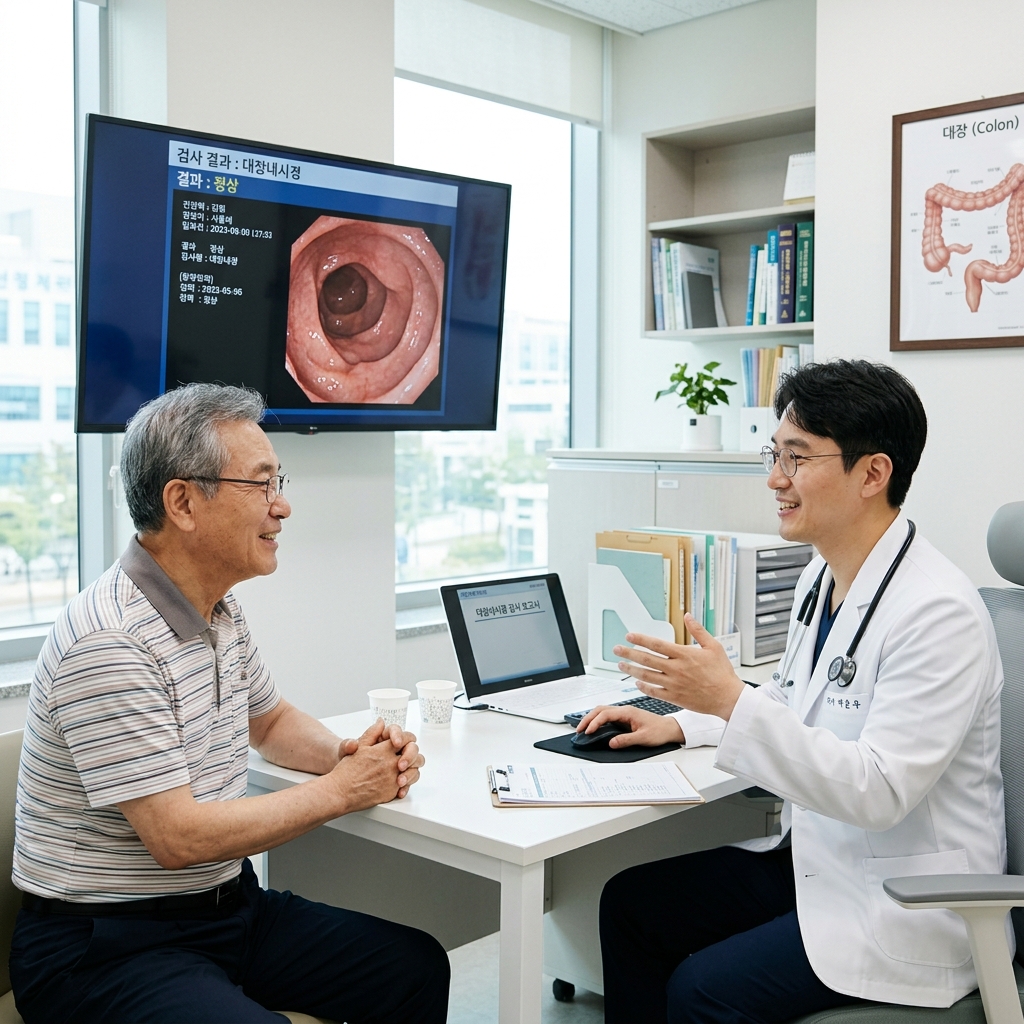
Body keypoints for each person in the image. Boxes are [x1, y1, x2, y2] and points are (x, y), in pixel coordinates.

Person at [9, 383, 449, 1024]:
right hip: (102, 947)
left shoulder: (218, 607)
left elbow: (268, 721)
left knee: (412, 967)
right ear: (183, 502)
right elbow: (177, 838)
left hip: (226, 909)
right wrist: (343, 790)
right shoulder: (109, 640)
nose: (283, 507)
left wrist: (347, 754)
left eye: (279, 482)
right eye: (262, 485)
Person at [581, 360, 1006, 1023]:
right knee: (632, 905)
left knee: (702, 990)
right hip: (823, 863)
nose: (775, 478)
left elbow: (879, 790)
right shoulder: (823, 575)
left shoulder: (938, 612)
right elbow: (792, 704)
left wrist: (728, 700)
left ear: (873, 473)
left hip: (907, 903)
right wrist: (686, 721)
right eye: (773, 455)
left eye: (798, 458)